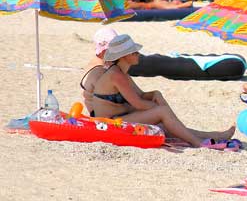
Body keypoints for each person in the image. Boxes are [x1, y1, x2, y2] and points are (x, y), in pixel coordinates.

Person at [87, 34, 235, 147]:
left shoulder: (121, 73)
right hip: (110, 123)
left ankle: (213, 135)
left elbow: (141, 95)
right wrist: (160, 108)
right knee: (163, 113)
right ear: (124, 56)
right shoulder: (117, 75)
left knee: (164, 116)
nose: (138, 54)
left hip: (120, 117)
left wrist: (155, 95)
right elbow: (138, 103)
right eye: (134, 52)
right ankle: (198, 142)